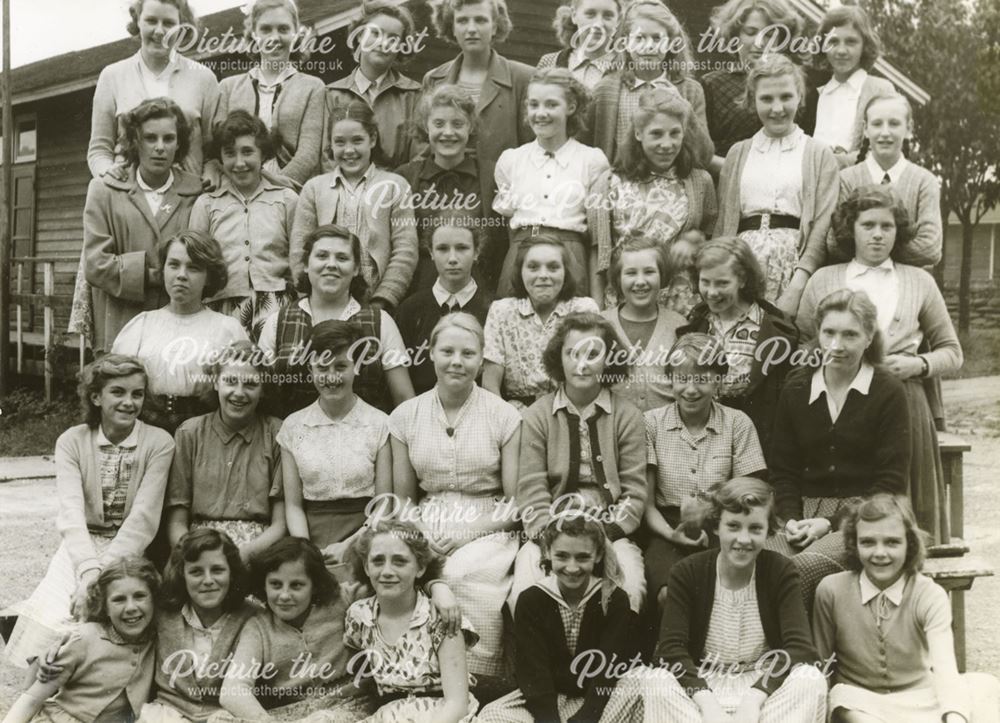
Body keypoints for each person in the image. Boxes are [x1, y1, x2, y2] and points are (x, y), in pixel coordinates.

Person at [798, 186, 963, 543]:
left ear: (898, 231)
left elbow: (952, 351)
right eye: (867, 224)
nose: (877, 234)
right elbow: (801, 346)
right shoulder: (823, 279)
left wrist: (917, 364)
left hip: (904, 400)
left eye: (886, 226)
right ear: (850, 229)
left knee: (902, 502)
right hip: (839, 401)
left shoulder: (919, 281)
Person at [602, 477, 828, 722]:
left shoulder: (780, 570)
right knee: (657, 681)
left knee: (810, 678)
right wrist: (708, 705)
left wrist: (754, 699)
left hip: (762, 687)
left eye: (755, 528)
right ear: (716, 527)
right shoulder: (687, 571)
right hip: (701, 687)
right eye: (733, 526)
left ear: (769, 531)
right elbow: (671, 650)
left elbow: (800, 649)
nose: (743, 539)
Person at [2, 356, 173, 670]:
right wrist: (88, 572)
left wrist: (100, 575)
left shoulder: (159, 443)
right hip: (81, 546)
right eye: (118, 392)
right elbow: (71, 514)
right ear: (96, 397)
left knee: (115, 612)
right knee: (60, 615)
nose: (129, 402)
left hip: (129, 548)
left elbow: (143, 519)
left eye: (137, 394)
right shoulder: (71, 441)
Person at [391, 312, 521, 680]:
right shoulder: (405, 416)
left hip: (488, 523)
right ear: (430, 353)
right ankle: (419, 678)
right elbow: (402, 499)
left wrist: (466, 533)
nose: (456, 362)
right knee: (407, 568)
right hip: (425, 520)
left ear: (482, 359)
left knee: (460, 573)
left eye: (468, 353)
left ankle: (476, 679)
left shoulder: (505, 416)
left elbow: (515, 504)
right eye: (446, 351)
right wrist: (420, 536)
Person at [814, 494, 1000, 722]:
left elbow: (945, 668)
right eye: (868, 542)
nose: (880, 553)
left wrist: (954, 716)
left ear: (909, 544)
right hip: (859, 701)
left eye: (892, 542)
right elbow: (822, 667)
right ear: (854, 544)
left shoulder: (928, 594)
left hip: (920, 699)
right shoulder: (831, 590)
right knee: (843, 700)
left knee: (986, 686)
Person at [512, 311, 647, 612]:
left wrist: (605, 535)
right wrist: (550, 536)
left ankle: (614, 660)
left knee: (631, 590)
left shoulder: (627, 416)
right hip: (549, 533)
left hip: (610, 531)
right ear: (558, 358)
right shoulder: (537, 415)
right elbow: (531, 486)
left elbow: (634, 491)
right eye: (572, 353)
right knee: (522, 592)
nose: (582, 363)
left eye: (592, 354)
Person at [770, 289, 910, 556]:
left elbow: (890, 483)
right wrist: (790, 520)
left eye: (850, 335)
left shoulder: (888, 391)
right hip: (801, 517)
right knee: (765, 565)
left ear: (869, 337)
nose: (837, 345)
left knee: (804, 567)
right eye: (829, 332)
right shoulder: (796, 388)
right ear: (818, 333)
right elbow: (784, 472)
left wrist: (830, 523)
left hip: (867, 517)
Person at [642, 334, 767, 610]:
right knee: (669, 594)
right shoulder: (651, 424)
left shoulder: (737, 423)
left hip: (725, 524)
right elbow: (647, 505)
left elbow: (752, 494)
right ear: (670, 379)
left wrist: (711, 509)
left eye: (701, 379)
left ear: (718, 380)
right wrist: (672, 533)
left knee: (720, 592)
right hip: (666, 528)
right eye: (682, 378)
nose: (690, 389)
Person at [477, 514, 635, 723]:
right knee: (493, 716)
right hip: (549, 698)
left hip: (598, 699)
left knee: (639, 690)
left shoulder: (614, 599)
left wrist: (588, 717)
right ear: (548, 552)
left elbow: (607, 669)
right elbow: (534, 672)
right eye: (562, 556)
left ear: (597, 556)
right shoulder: (532, 599)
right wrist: (550, 720)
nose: (572, 567)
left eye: (582, 557)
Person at [715, 53, 839, 316]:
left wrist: (798, 286)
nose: (777, 108)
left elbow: (821, 226)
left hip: (794, 271)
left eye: (785, 97)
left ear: (799, 98)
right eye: (766, 99)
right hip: (741, 270)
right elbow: (723, 226)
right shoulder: (738, 154)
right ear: (752, 101)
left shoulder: (818, 154)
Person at [79, 97, 203, 353]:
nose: (160, 147)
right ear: (135, 141)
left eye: (168, 139)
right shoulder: (104, 190)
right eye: (150, 138)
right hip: (121, 325)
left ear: (178, 143)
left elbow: (203, 260)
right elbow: (95, 264)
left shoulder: (196, 192)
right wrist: (151, 276)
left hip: (179, 331)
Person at [259, 224, 415, 415]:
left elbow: (404, 399)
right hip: (293, 439)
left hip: (367, 440)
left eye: (342, 258)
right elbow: (263, 395)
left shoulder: (380, 322)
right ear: (307, 265)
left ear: (356, 268)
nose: (331, 264)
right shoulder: (278, 322)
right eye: (322, 256)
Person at [217, 537, 373, 721]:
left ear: (314, 586)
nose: (284, 595)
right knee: (219, 719)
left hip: (347, 706)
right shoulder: (258, 627)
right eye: (275, 584)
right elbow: (233, 690)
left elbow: (383, 584)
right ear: (263, 586)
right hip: (290, 714)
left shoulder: (343, 599)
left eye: (296, 585)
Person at [111, 231, 248, 433]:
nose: (181, 275)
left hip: (205, 430)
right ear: (164, 269)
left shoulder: (227, 329)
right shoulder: (142, 325)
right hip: (147, 428)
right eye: (173, 265)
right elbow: (116, 385)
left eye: (193, 268)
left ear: (209, 277)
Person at [591, 88, 717, 306]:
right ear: (639, 134)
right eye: (656, 134)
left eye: (675, 133)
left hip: (680, 300)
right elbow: (598, 252)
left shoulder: (700, 181)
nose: (667, 144)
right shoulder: (609, 183)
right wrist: (596, 307)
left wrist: (693, 241)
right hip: (625, 297)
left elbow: (713, 237)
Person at [346, 520, 479, 723]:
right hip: (388, 715)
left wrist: (438, 587)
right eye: (378, 561)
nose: (387, 571)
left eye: (400, 561)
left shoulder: (440, 617)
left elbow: (457, 704)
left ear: (420, 568)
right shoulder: (360, 615)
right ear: (366, 567)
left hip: (442, 715)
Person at [165, 341, 287, 563]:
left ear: (263, 390)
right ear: (215, 382)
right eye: (230, 381)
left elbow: (280, 524)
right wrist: (196, 556)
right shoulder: (189, 433)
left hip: (257, 550)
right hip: (196, 547)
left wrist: (241, 557)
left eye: (250, 384)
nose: (239, 393)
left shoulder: (277, 433)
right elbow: (176, 521)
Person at [291, 99, 418, 311]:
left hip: (375, 304)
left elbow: (405, 250)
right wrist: (310, 297)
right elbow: (299, 250)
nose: (349, 150)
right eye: (340, 142)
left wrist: (384, 298)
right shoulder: (314, 188)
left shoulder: (395, 186)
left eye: (357, 140)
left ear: (373, 139)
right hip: (322, 302)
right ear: (330, 144)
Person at [278, 321, 392, 558]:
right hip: (308, 536)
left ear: (357, 367)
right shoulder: (293, 426)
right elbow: (294, 506)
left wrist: (349, 547)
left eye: (341, 366)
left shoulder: (379, 423)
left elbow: (384, 505)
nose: (331, 377)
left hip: (366, 535)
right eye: (322, 368)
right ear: (310, 370)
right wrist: (308, 553)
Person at [494, 67, 610, 298]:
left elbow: (599, 237)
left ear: (571, 107)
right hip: (522, 254)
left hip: (570, 255)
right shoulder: (511, 160)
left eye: (551, 104)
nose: (540, 113)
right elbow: (509, 224)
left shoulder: (592, 160)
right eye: (534, 104)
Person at [3, 558, 160, 723]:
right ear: (104, 606)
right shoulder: (84, 639)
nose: (131, 608)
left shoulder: (157, 638)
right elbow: (32, 699)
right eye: (119, 599)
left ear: (154, 600)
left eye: (140, 596)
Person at [678, 236, 799, 451]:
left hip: (757, 435)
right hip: (704, 436)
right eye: (705, 282)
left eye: (722, 283)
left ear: (742, 280)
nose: (712, 292)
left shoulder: (772, 328)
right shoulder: (695, 324)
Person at [422, 0, 535, 225]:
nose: (471, 28)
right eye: (462, 20)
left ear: (495, 26)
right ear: (451, 27)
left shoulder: (523, 77)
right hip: (446, 194)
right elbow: (424, 143)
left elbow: (531, 150)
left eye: (481, 20)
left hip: (501, 199)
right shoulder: (434, 78)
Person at [190, 110, 299, 340]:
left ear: (263, 154)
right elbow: (196, 262)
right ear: (220, 158)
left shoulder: (286, 199)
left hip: (277, 304)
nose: (239, 163)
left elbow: (299, 259)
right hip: (222, 307)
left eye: (247, 152)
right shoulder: (208, 204)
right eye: (230, 154)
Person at [87, 0, 217, 180]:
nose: (159, 31)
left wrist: (210, 173)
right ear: (138, 21)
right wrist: (107, 172)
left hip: (187, 200)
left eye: (169, 23)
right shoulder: (112, 76)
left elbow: (213, 151)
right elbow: (99, 150)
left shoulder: (204, 78)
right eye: (151, 21)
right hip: (127, 197)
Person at [140, 529, 257, 722]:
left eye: (218, 570)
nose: (208, 580)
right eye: (196, 572)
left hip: (224, 715)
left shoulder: (252, 617)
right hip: (168, 713)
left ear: (232, 573)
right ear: (182, 575)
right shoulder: (163, 613)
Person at [210, 0, 326, 191]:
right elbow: (219, 147)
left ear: (295, 33)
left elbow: (309, 153)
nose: (275, 37)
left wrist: (272, 189)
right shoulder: (228, 87)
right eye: (266, 29)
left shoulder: (313, 87)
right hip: (235, 189)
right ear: (254, 34)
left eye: (283, 29)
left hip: (289, 191)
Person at [585, 0, 714, 168]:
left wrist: (684, 108)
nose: (648, 46)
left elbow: (704, 156)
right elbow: (586, 148)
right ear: (624, 43)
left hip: (674, 185)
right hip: (620, 185)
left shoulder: (689, 90)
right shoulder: (605, 89)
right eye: (639, 38)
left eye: (657, 38)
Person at [394, 85, 497, 294]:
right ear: (426, 126)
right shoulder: (405, 177)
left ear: (470, 127)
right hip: (418, 289)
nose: (448, 132)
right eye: (439, 123)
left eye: (458, 124)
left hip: (477, 287)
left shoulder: (490, 176)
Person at [483, 237, 600, 411]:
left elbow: (593, 377)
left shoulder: (583, 308)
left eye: (553, 267)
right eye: (533, 267)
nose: (543, 275)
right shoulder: (502, 311)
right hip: (518, 413)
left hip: (574, 410)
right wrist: (507, 419)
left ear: (565, 272)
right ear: (519, 271)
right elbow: (490, 385)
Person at [836, 94, 942, 267]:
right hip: (854, 284)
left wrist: (869, 248)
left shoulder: (924, 181)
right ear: (865, 129)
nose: (885, 132)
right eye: (877, 124)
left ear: (909, 128)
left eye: (894, 123)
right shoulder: (846, 179)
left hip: (907, 285)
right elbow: (835, 244)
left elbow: (930, 248)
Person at [702, 0, 810, 168]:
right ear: (734, 36)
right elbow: (702, 155)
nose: (760, 42)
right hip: (728, 184)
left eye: (769, 34)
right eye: (750, 32)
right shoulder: (711, 85)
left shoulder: (799, 83)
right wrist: (746, 172)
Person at [395, 215, 494, 395]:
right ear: (431, 252)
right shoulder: (410, 310)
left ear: (477, 251)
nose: (452, 258)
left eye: (462, 248)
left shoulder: (494, 310)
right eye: (442, 249)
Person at [327, 0, 423, 170]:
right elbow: (326, 158)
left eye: (393, 39)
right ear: (358, 35)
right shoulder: (332, 94)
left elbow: (418, 159)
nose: (383, 43)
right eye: (375, 33)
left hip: (395, 190)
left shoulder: (415, 95)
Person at [600, 237, 686, 411]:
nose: (640, 281)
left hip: (668, 433)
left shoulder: (678, 325)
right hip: (617, 432)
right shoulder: (601, 324)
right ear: (618, 278)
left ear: (662, 275)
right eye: (631, 273)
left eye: (649, 272)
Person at [810, 5, 895, 169]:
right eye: (833, 42)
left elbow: (883, 150)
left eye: (851, 42)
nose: (841, 50)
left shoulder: (880, 90)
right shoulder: (816, 92)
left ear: (865, 45)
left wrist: (837, 161)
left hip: (858, 188)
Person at [536, 0, 623, 90]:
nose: (599, 24)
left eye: (608, 16)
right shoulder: (550, 62)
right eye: (590, 14)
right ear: (574, 15)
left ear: (618, 20)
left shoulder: (628, 69)